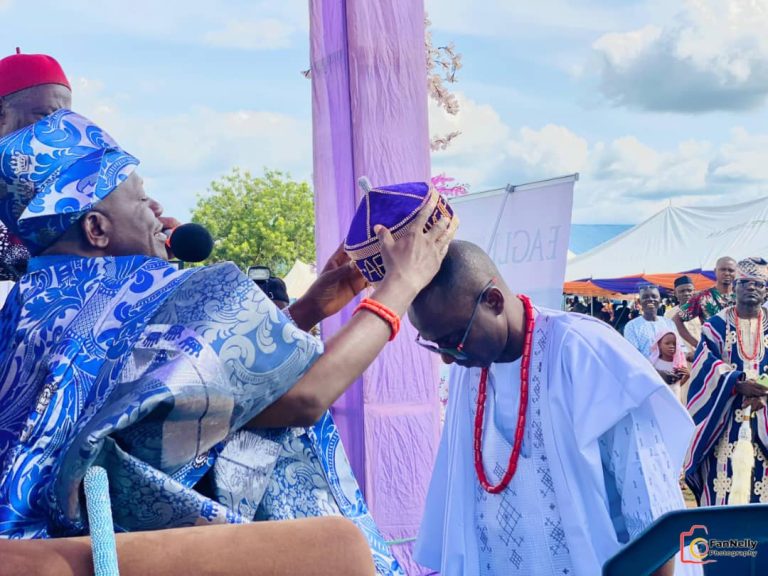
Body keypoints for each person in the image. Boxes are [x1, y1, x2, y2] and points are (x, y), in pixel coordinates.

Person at [0, 110, 456, 575]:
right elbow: (302, 399)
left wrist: (306, 311)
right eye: (140, 199)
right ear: (96, 229)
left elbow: (194, 397)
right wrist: (401, 284)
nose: (159, 209)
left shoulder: (26, 311)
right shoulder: (155, 292)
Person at [409, 241, 697, 576]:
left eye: (454, 340)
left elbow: (651, 506)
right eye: (436, 345)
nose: (447, 358)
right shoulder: (469, 367)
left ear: (493, 301)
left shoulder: (583, 352)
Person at [684, 257, 768, 506]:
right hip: (723, 419)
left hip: (765, 418)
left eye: (758, 284)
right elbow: (703, 366)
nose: (751, 288)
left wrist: (763, 394)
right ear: (735, 288)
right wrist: (735, 384)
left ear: (766, 291)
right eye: (745, 283)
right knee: (721, 484)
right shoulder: (716, 326)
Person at [674, 257, 736, 350]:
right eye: (723, 269)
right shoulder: (702, 297)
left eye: (731, 270)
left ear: (736, 273)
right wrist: (698, 345)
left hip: (740, 352)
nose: (727, 273)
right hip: (714, 352)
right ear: (715, 271)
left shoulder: (742, 296)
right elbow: (676, 319)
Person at [623, 284, 681, 359]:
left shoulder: (669, 323)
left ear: (659, 300)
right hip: (644, 366)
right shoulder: (631, 326)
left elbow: (678, 348)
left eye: (654, 296)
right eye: (645, 297)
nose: (650, 299)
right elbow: (633, 355)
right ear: (639, 301)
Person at [649, 329, 690, 402]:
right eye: (667, 343)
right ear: (659, 345)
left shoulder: (678, 363)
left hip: (674, 399)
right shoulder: (653, 363)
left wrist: (687, 376)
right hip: (657, 400)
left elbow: (676, 386)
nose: (671, 346)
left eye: (674, 344)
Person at [665, 275, 700, 353]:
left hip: (703, 354)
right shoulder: (669, 314)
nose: (686, 293)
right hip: (681, 356)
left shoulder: (703, 310)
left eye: (689, 290)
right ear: (675, 293)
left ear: (694, 291)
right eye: (682, 291)